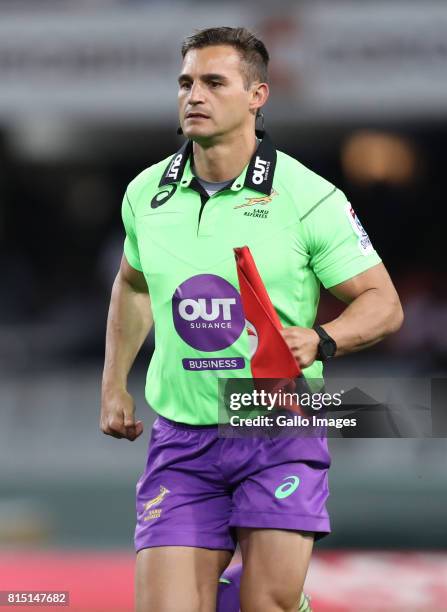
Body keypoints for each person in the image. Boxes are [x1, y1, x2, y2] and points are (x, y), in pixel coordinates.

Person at [100, 26, 403, 612]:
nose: (194, 95)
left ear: (257, 96)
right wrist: (114, 385)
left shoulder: (308, 197)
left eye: (214, 82)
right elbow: (132, 285)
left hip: (279, 428)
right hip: (182, 438)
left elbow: (383, 305)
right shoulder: (145, 195)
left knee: (268, 604)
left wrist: (322, 339)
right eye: (186, 82)